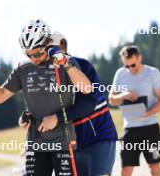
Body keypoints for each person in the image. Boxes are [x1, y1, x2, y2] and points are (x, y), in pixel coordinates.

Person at [0, 19, 92, 176]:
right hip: (35, 142)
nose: (33, 59)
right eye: (28, 54)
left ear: (48, 43)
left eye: (38, 53)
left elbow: (87, 88)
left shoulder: (66, 61)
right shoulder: (23, 68)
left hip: (63, 142)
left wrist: (65, 63)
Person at [20, 32, 118, 176]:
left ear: (62, 49)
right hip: (72, 143)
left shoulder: (82, 66)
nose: (45, 55)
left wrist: (58, 117)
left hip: (98, 138)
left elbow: (90, 103)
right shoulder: (46, 73)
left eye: (49, 50)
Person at [108, 45, 160, 176]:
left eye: (133, 65)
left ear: (139, 58)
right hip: (130, 129)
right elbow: (112, 100)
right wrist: (123, 95)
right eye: (127, 66)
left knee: (154, 167)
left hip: (150, 128)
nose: (130, 69)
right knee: (126, 169)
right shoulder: (120, 74)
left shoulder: (152, 73)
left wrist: (148, 113)